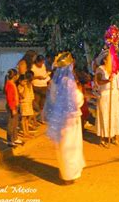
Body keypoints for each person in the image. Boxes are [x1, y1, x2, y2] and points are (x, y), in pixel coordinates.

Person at [44, 52, 85, 185]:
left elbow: (52, 100)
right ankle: (70, 175)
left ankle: (66, 173)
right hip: (70, 121)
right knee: (71, 148)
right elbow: (75, 100)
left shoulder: (54, 82)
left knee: (62, 148)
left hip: (59, 119)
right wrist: (80, 95)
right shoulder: (68, 82)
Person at [95, 57, 119, 147]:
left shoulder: (115, 70)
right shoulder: (100, 69)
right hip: (105, 95)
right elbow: (99, 82)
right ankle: (103, 139)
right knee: (105, 116)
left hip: (115, 95)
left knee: (115, 115)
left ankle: (114, 137)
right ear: (104, 60)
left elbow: (118, 86)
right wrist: (108, 80)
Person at [4, 69, 24, 147]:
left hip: (16, 105)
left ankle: (15, 138)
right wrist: (12, 108)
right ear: (15, 76)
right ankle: (10, 140)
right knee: (11, 124)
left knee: (15, 123)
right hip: (12, 106)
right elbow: (10, 98)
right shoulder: (9, 85)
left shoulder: (12, 84)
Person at [31, 55, 51, 123]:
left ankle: (41, 118)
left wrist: (47, 77)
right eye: (40, 63)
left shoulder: (43, 66)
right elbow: (30, 76)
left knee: (42, 104)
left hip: (44, 85)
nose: (41, 64)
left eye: (42, 62)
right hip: (36, 86)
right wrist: (37, 77)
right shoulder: (32, 67)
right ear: (36, 61)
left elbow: (45, 73)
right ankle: (34, 120)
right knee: (36, 104)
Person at [17, 74, 35, 139]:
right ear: (20, 81)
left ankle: (27, 132)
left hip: (28, 103)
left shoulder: (28, 86)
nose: (25, 83)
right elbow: (23, 95)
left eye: (26, 81)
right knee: (23, 119)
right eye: (24, 81)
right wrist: (25, 88)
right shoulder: (19, 87)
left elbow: (31, 95)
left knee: (27, 119)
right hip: (23, 104)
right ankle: (24, 132)